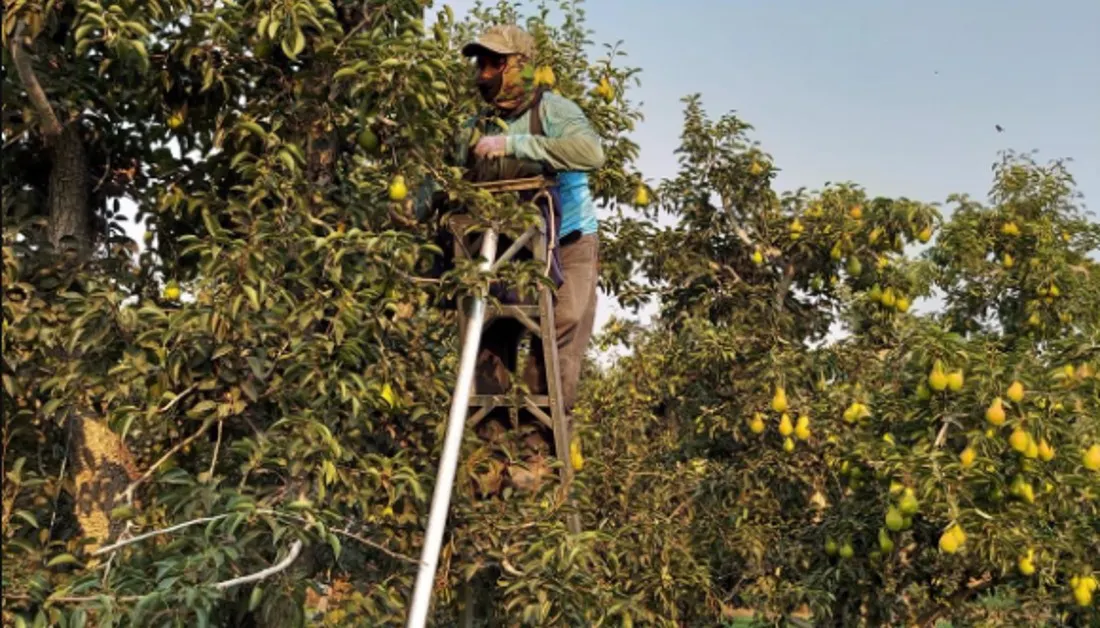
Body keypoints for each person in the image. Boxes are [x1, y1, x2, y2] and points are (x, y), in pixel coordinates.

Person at [415, 24, 604, 493]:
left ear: (518, 65)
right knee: (488, 337)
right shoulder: (475, 125)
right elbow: (440, 180)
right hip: (502, 250)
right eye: (480, 63)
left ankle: (538, 454)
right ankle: (491, 452)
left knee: (560, 325)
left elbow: (591, 152)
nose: (483, 73)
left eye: (493, 63)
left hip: (568, 243)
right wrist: (411, 211)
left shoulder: (552, 111)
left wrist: (517, 144)